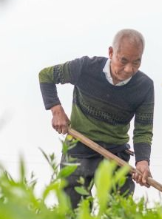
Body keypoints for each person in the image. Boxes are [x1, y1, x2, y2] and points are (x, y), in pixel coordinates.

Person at [38, 29, 154, 209]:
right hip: (78, 146)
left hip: (116, 154)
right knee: (72, 210)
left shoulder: (144, 86)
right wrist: (56, 109)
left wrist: (142, 162)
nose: (129, 69)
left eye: (136, 62)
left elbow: (143, 129)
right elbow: (46, 76)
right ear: (111, 53)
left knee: (118, 212)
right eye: (123, 60)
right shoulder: (85, 67)